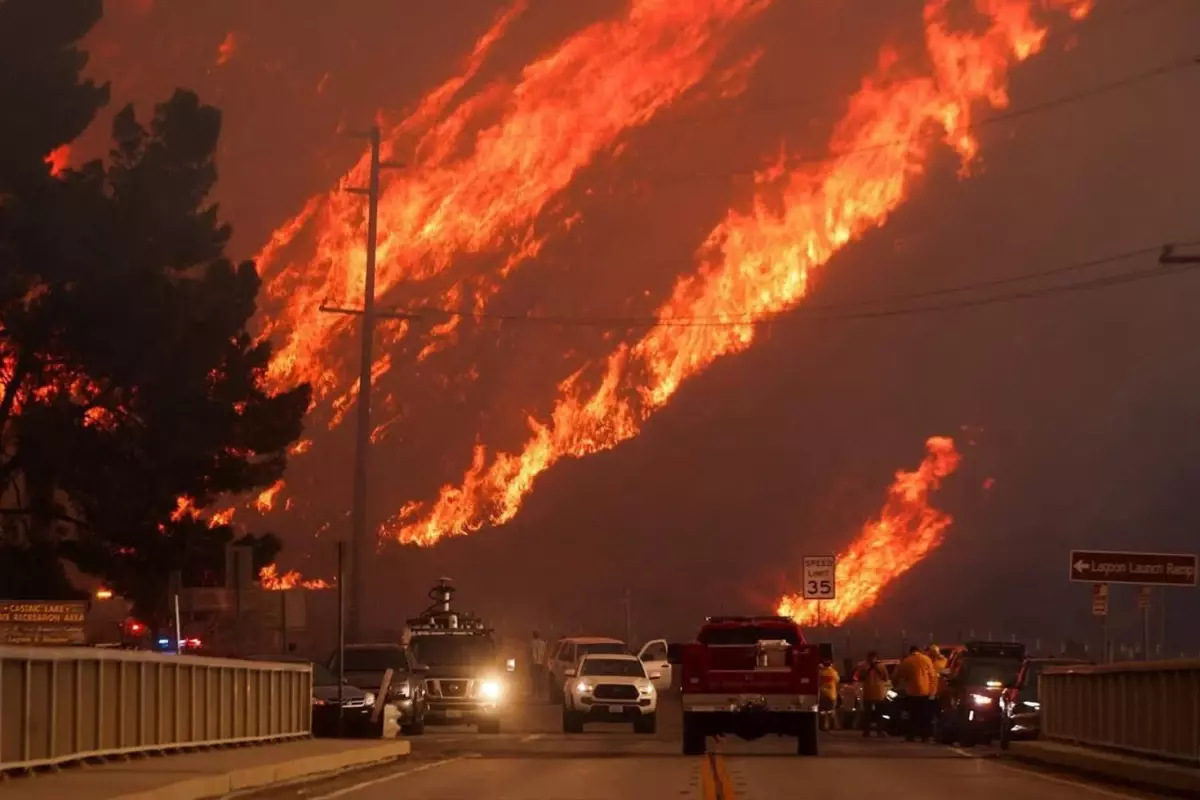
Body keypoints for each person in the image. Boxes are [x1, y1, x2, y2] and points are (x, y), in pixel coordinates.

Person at [893, 645, 937, 741]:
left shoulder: (907, 661)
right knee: (925, 715)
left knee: (913, 715)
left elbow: (899, 675)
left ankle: (911, 735)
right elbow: (933, 676)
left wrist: (895, 685)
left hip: (912, 692)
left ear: (910, 652)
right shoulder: (927, 659)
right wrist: (933, 691)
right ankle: (925, 736)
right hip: (925, 692)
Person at [857, 651, 890, 737]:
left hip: (868, 693)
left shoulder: (863, 667)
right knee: (879, 713)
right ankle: (880, 731)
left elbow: (859, 678)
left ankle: (867, 731)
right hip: (879, 693)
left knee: (867, 713)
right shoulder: (881, 666)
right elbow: (886, 678)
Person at [818, 659, 840, 731]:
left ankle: (822, 726)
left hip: (822, 694)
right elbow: (837, 680)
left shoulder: (820, 672)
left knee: (822, 711)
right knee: (831, 710)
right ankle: (831, 726)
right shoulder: (833, 672)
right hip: (831, 694)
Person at [529, 631, 547, 701]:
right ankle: (540, 692)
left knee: (534, 678)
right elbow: (545, 653)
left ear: (533, 635)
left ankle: (534, 692)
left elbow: (530, 652)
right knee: (540, 678)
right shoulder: (543, 643)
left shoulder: (531, 643)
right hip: (541, 663)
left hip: (534, 663)